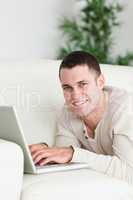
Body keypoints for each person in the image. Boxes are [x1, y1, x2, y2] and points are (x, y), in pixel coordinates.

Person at [29, 51, 133, 185]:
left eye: (82, 84)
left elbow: (129, 173)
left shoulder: (125, 110)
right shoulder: (67, 112)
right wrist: (44, 152)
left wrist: (73, 154)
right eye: (67, 88)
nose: (75, 95)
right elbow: (64, 154)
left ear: (100, 82)